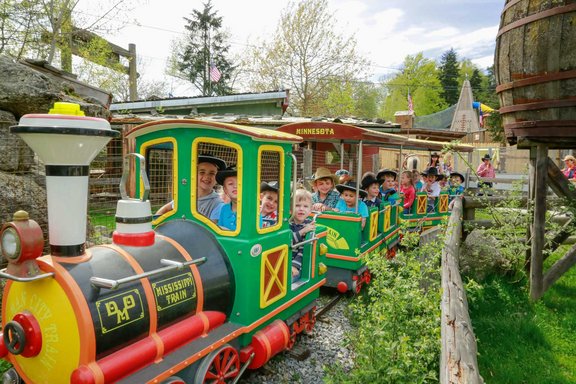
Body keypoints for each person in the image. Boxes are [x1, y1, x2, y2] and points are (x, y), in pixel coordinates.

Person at [156, 153, 226, 217]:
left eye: (212, 173)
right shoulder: (186, 196)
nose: (207, 177)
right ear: (192, 175)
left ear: (217, 178)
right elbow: (165, 209)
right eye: (202, 172)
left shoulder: (217, 203)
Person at [290, 189, 316, 282]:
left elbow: (304, 249)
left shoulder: (309, 226)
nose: (301, 209)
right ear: (290, 209)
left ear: (310, 210)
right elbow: (288, 241)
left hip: (298, 266)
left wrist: (294, 266)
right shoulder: (288, 223)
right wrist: (302, 232)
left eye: (305, 206)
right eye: (297, 205)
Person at [210, 166, 238, 230]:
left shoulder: (252, 211)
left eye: (240, 183)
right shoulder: (224, 208)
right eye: (230, 183)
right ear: (225, 190)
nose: (235, 186)